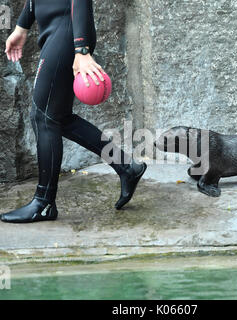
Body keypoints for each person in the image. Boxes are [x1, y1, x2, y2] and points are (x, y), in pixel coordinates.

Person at [0, 0, 147, 223]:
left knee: (44, 117)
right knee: (57, 117)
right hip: (55, 30)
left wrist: (82, 49)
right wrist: (22, 27)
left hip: (67, 32)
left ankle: (44, 202)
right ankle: (126, 167)